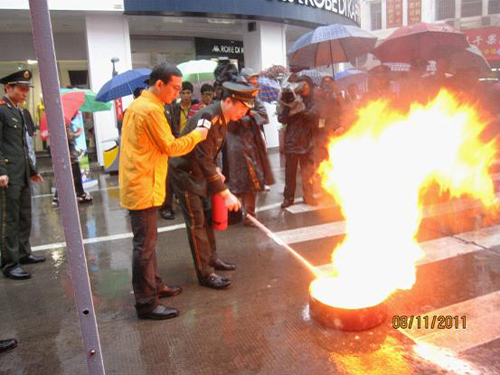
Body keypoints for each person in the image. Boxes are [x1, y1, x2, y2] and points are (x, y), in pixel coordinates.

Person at [119, 63, 208, 321]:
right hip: (143, 185)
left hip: (143, 182)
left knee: (148, 244)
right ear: (160, 84)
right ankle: (146, 303)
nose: (178, 94)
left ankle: (155, 286)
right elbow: (170, 146)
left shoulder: (142, 105)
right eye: (175, 88)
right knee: (144, 247)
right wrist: (199, 134)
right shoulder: (149, 110)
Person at [169, 81, 258, 289]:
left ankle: (212, 258)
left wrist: (216, 172)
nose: (244, 113)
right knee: (197, 222)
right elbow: (201, 156)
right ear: (228, 101)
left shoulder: (224, 117)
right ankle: (205, 273)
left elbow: (210, 153)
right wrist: (225, 193)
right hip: (186, 174)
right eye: (242, 108)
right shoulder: (207, 117)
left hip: (200, 172)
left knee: (208, 217)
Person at [0, 70, 45, 280]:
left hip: (22, 172)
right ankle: (10, 263)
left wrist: (32, 170)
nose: (25, 93)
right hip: (8, 174)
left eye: (27, 90)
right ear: (8, 88)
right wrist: (1, 171)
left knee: (25, 215)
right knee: (10, 219)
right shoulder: (1, 110)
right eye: (22, 89)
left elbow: (22, 146)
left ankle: (23, 253)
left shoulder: (17, 111)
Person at [226, 68, 274, 226]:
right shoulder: (231, 99)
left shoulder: (254, 98)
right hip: (235, 145)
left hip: (252, 144)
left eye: (255, 79)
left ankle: (250, 215)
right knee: (236, 181)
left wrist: (251, 114)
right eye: (251, 79)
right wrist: (245, 116)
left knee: (252, 181)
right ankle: (235, 214)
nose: (254, 81)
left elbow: (264, 116)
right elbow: (231, 122)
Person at [278, 75, 318, 208]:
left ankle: (309, 195)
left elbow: (313, 116)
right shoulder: (291, 99)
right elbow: (281, 119)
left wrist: (299, 107)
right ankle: (288, 198)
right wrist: (290, 104)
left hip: (307, 141)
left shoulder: (312, 101)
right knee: (290, 173)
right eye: (301, 85)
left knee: (308, 172)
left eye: (306, 84)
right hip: (292, 141)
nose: (304, 87)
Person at [52, 114, 93, 205]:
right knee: (74, 176)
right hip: (70, 155)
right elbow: (69, 137)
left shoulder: (61, 122)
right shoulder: (65, 122)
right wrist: (78, 133)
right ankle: (79, 194)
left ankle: (59, 196)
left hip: (66, 155)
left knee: (66, 176)